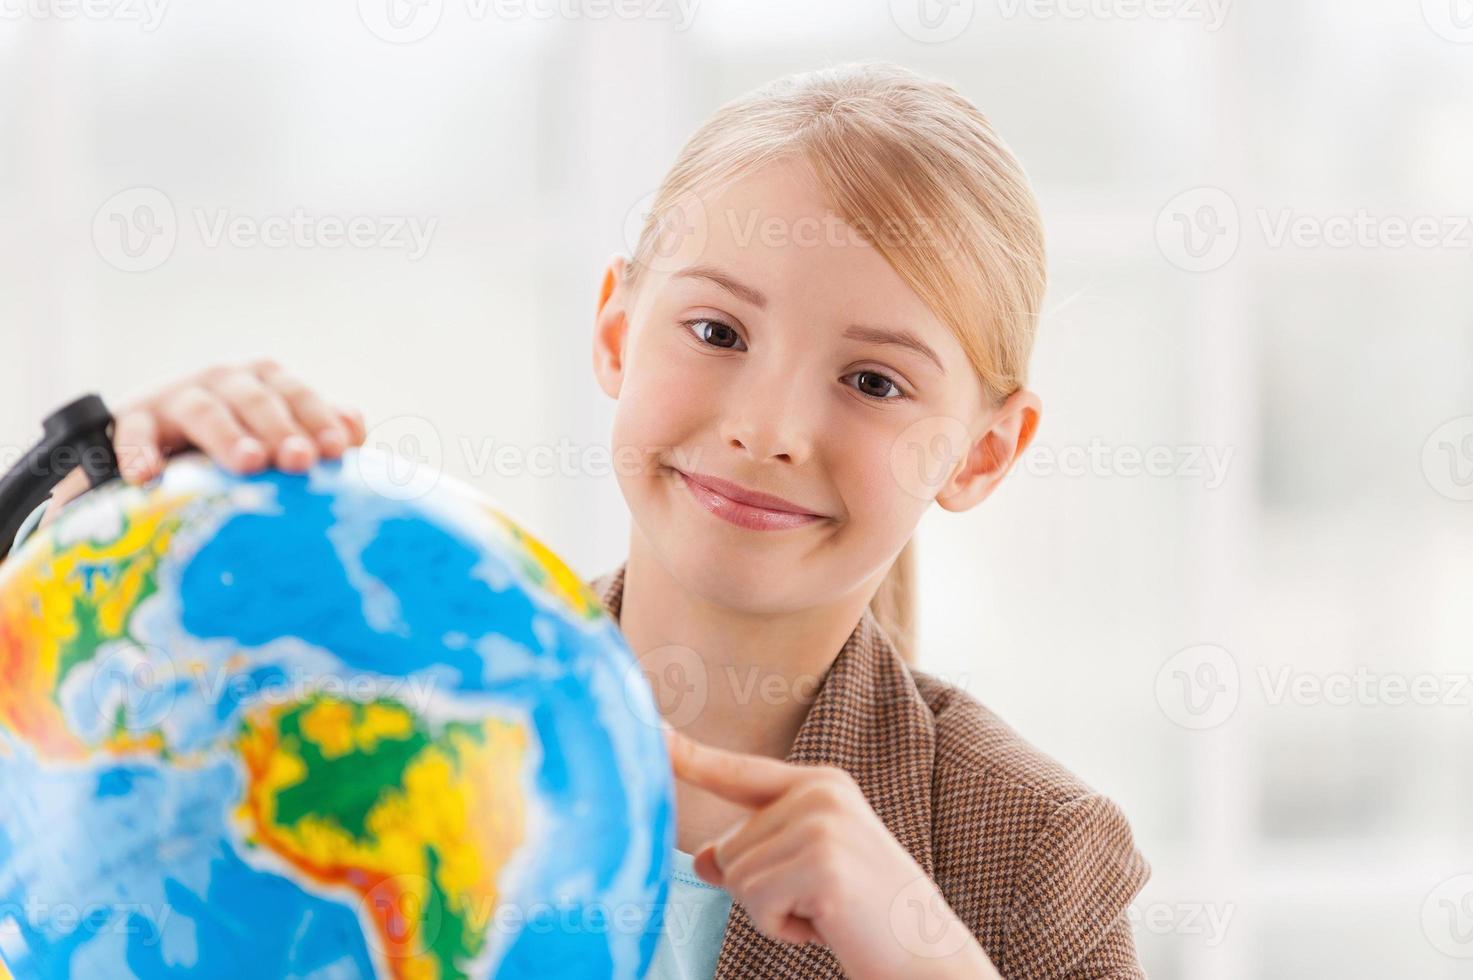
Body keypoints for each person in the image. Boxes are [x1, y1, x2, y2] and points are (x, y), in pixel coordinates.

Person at [21, 62, 1150, 979]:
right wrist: (88, 528)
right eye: (716, 332)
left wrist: (923, 952)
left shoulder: (1035, 851)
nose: (768, 429)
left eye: (875, 381)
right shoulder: (364, 685)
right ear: (616, 330)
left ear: (986, 449)